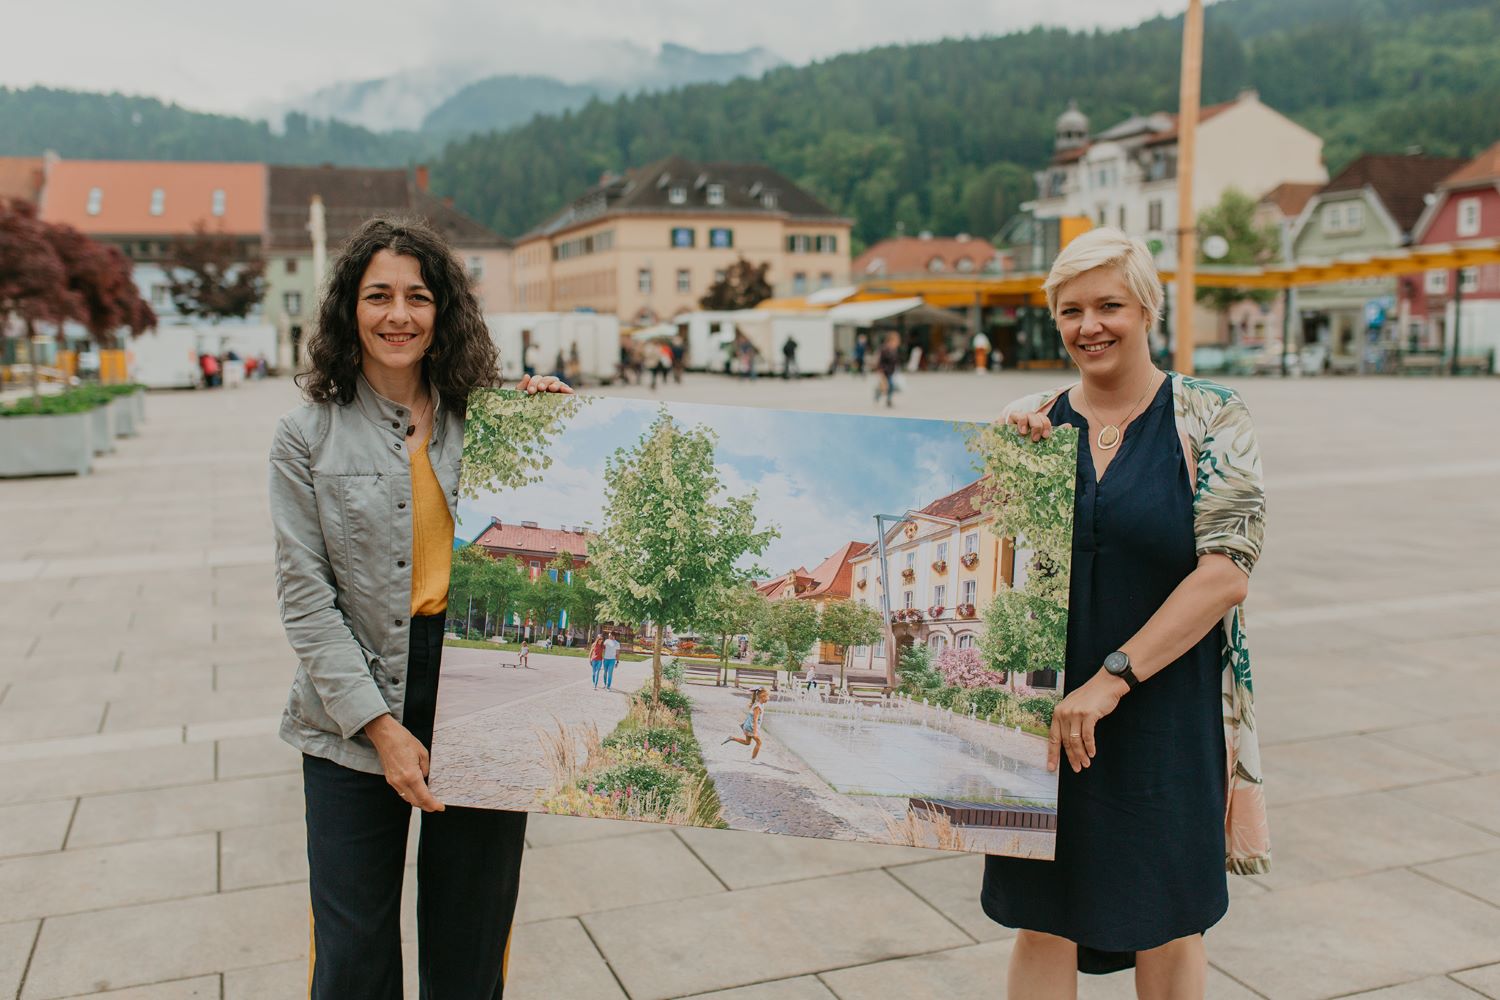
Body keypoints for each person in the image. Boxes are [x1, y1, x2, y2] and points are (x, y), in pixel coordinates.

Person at [269, 216, 573, 999]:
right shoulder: (305, 437)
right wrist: (378, 725)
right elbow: (306, 599)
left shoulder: (494, 422)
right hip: (351, 699)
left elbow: (563, 475)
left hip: (469, 686)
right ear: (349, 309)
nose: (398, 314)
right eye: (378, 296)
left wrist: (564, 422)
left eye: (417, 296)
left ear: (443, 312)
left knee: (471, 940)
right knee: (352, 953)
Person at [981, 227, 1267, 997]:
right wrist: (1001, 464)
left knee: (1169, 922)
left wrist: (1112, 679)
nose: (1089, 326)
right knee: (1042, 917)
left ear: (1148, 309)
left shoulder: (1211, 417)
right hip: (1042, 712)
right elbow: (996, 568)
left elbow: (1225, 575)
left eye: (1109, 304)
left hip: (1164, 706)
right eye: (1070, 310)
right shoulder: (1033, 424)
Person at [721, 687, 769, 758]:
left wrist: (758, 690)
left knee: (747, 742)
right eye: (768, 696)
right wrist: (755, 733)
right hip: (750, 727)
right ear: (762, 697)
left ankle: (731, 738)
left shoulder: (760, 703)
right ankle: (752, 760)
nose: (769, 698)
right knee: (759, 743)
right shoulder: (758, 707)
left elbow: (759, 693)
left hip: (748, 725)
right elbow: (755, 720)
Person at [875, 332, 901, 407]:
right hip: (885, 371)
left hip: (891, 371)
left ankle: (878, 394)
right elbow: (880, 361)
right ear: (890, 341)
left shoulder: (894, 350)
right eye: (896, 341)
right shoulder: (884, 349)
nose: (897, 343)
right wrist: (881, 371)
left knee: (885, 387)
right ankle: (888, 400)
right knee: (890, 385)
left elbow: (896, 361)